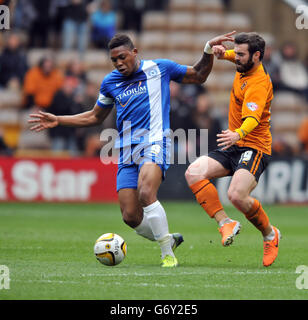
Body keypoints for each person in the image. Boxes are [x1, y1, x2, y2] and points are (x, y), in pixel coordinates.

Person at [28, 31, 236, 267]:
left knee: (146, 193)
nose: (118, 63)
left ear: (135, 53)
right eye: (114, 60)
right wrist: (59, 119)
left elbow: (199, 75)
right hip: (127, 151)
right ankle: (167, 238)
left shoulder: (160, 69)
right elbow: (95, 117)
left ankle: (167, 253)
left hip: (155, 142)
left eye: (122, 57)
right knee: (130, 216)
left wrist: (207, 48)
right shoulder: (110, 82)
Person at [185, 32, 281, 267]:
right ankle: (225, 223)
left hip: (254, 146)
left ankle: (270, 234)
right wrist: (220, 52)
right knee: (193, 172)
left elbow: (253, 119)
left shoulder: (258, 83)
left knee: (236, 195)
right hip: (235, 143)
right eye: (235, 53)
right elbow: (234, 56)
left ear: (256, 56)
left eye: (240, 54)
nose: (235, 58)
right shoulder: (246, 65)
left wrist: (237, 133)